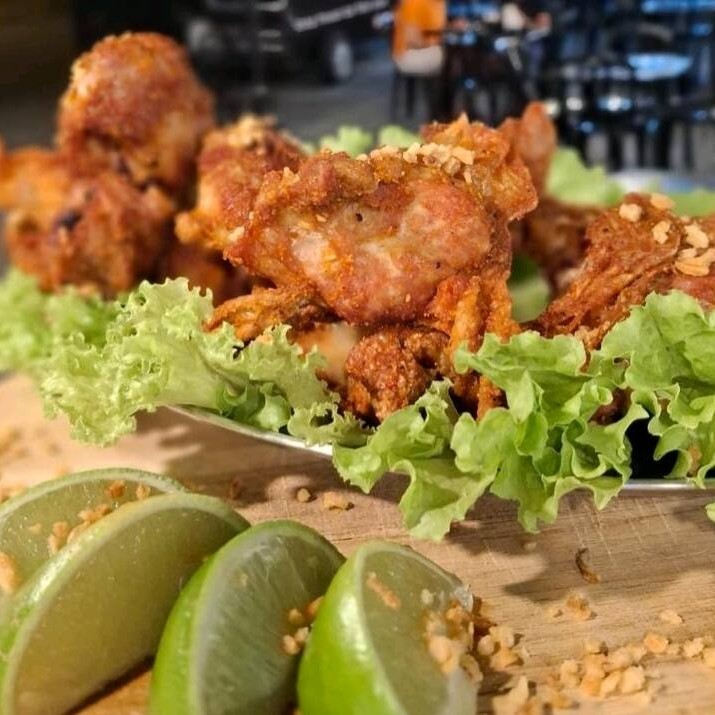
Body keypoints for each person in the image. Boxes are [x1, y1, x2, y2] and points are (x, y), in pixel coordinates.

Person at [392, 0, 447, 76]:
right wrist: (434, 40)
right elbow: (412, 40)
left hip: (428, 49)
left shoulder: (439, 3)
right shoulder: (414, 3)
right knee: (449, 55)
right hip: (409, 54)